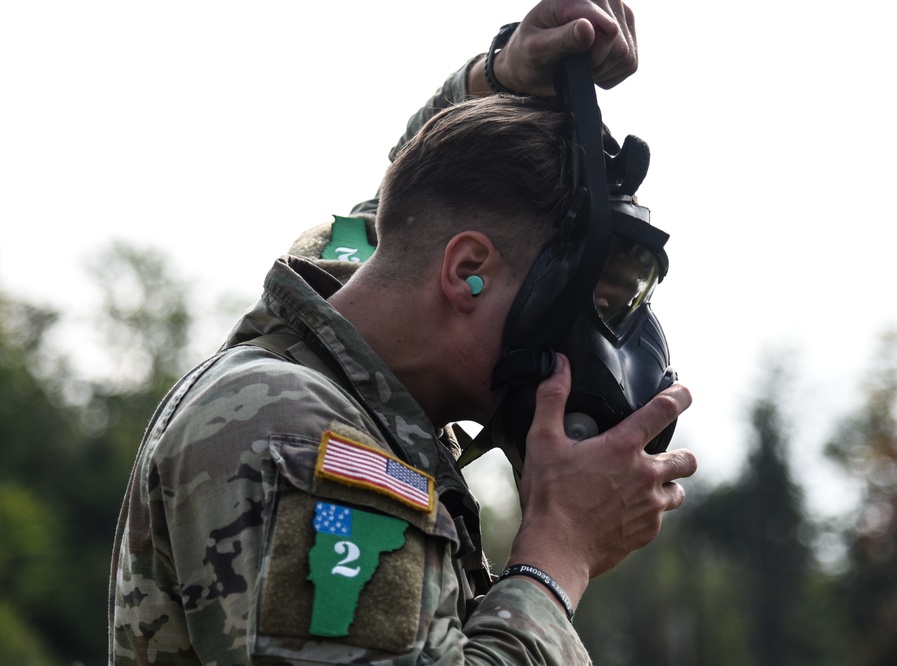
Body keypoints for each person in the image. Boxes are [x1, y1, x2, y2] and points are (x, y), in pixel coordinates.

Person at [109, 1, 697, 664]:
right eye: (585, 301)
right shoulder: (298, 436)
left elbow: (424, 190)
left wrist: (504, 78)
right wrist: (557, 556)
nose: (595, 346)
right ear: (467, 272)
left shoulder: (361, 312)